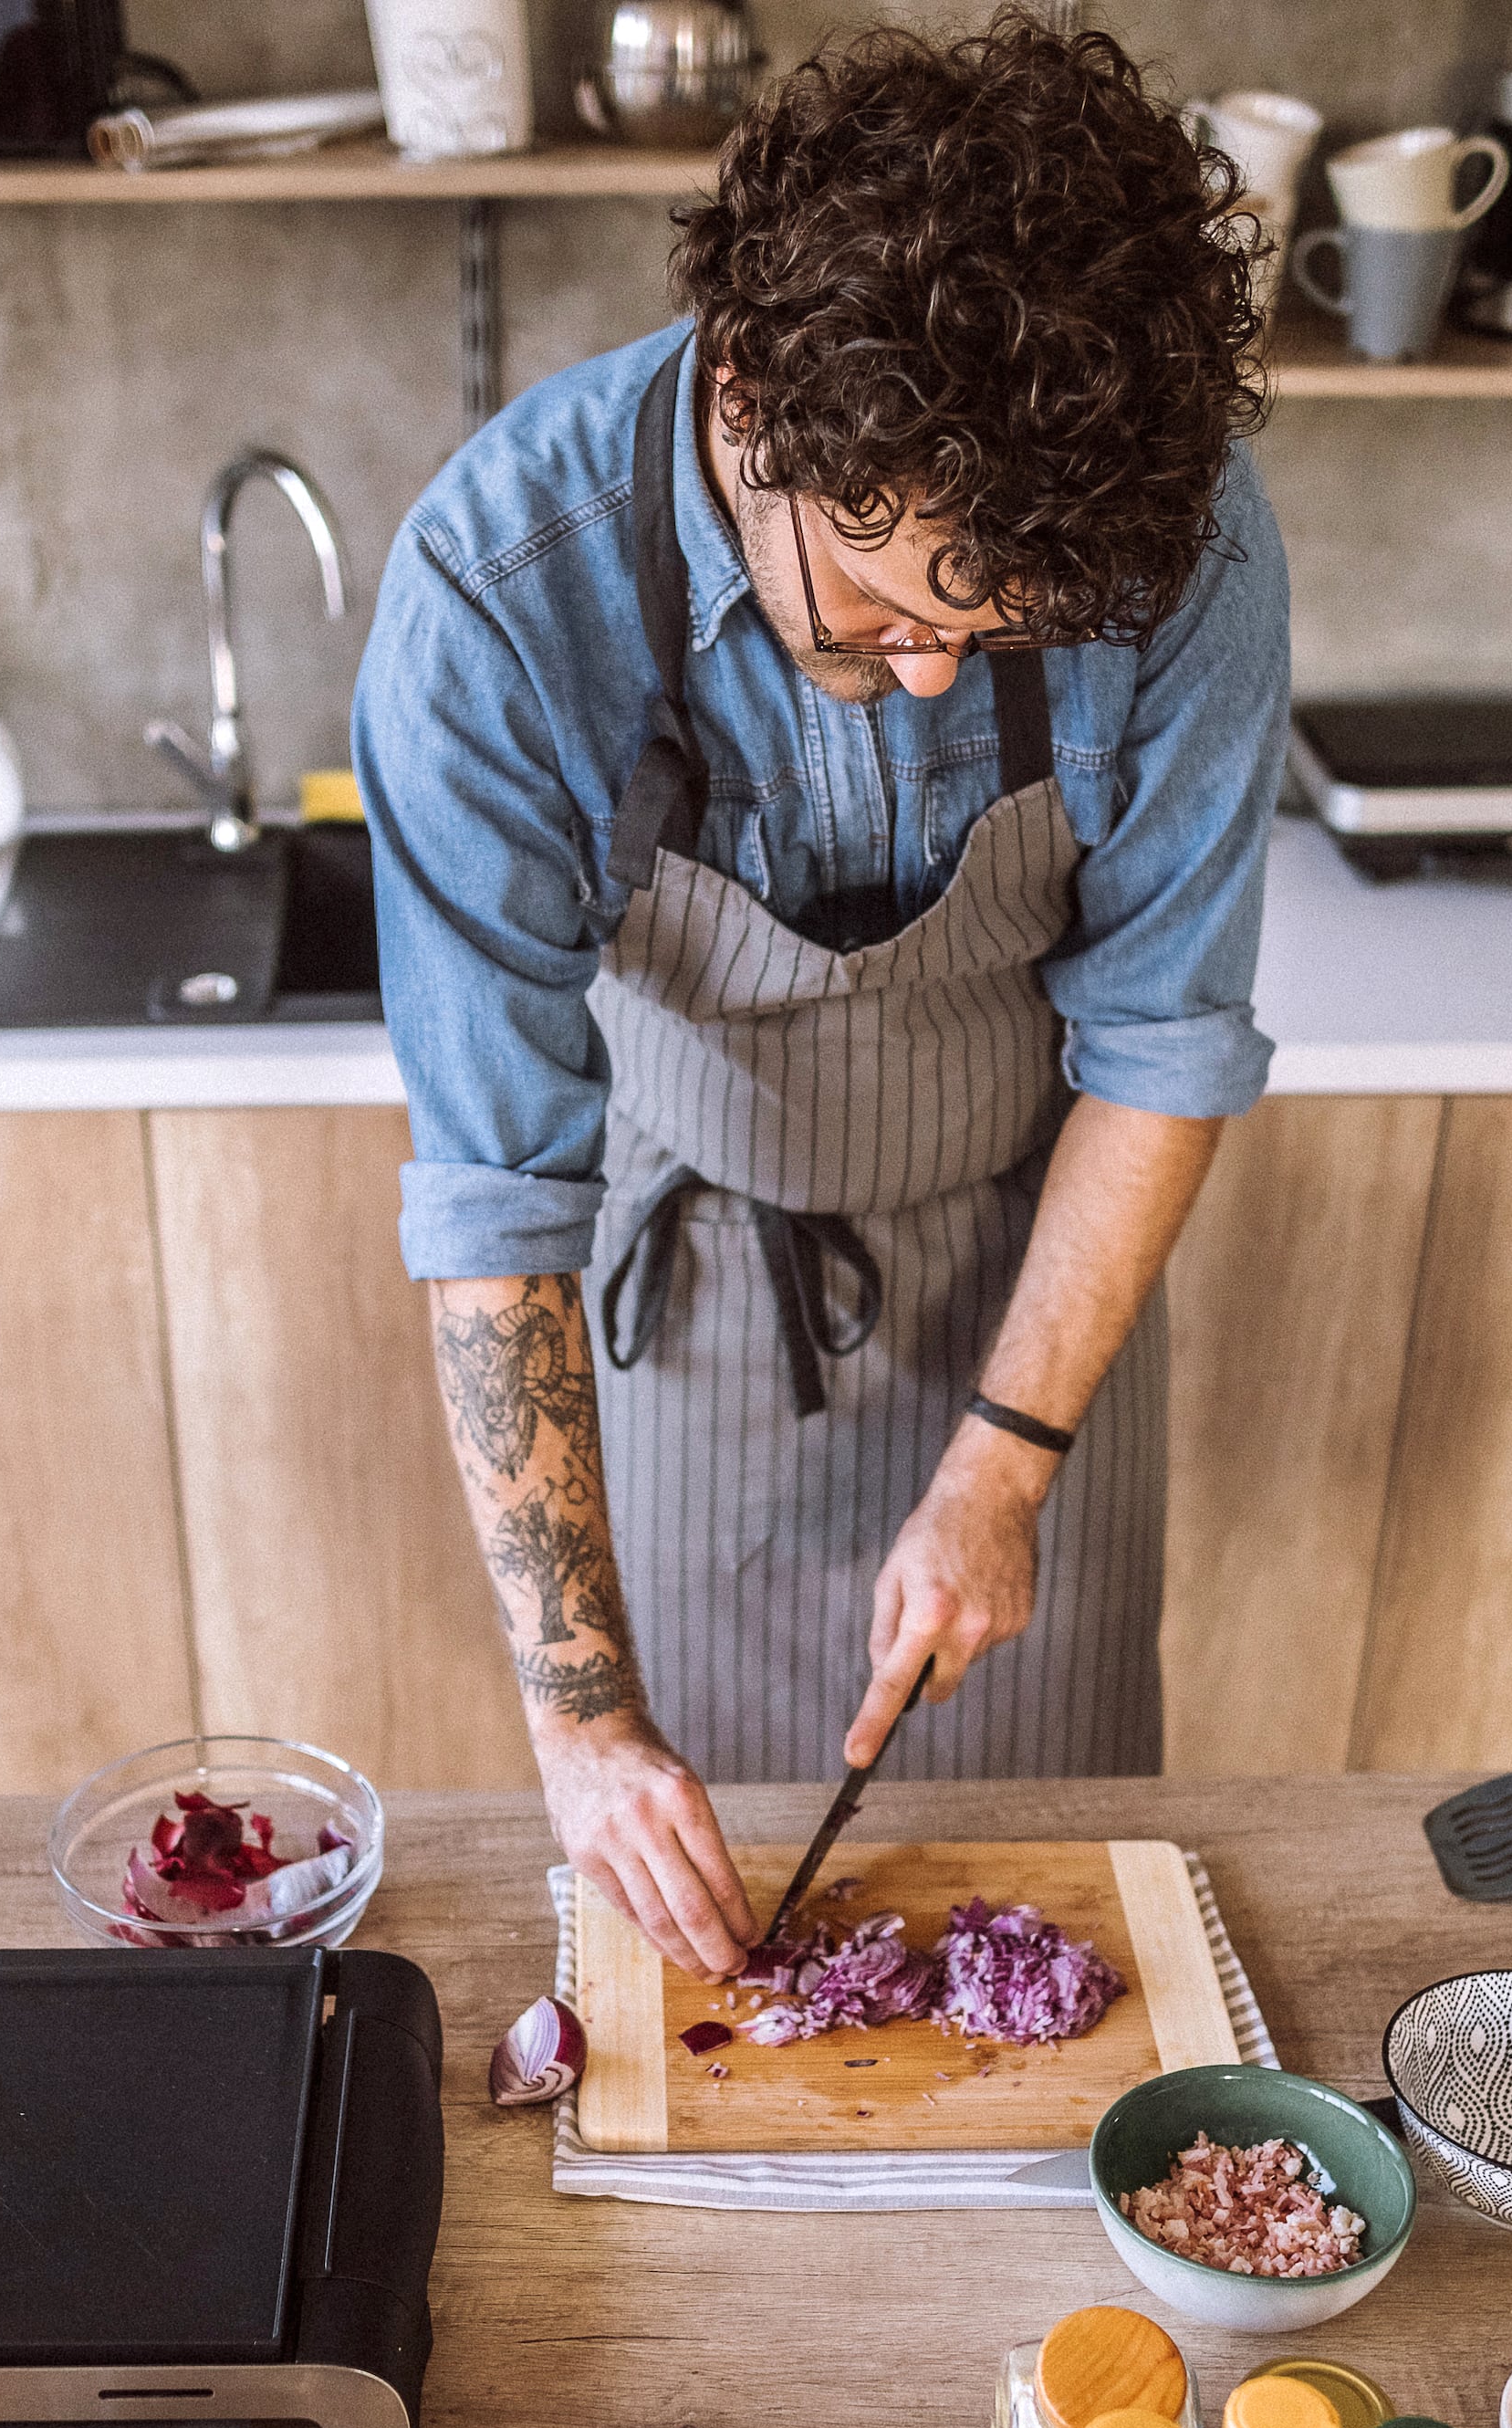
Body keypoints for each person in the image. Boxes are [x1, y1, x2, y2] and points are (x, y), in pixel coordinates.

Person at [356, 11, 1286, 1979]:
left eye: (998, 627)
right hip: (689, 1308)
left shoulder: (1169, 543)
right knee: (704, 1909)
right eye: (891, 601)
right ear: (758, 389)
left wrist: (1000, 1464)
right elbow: (495, 1204)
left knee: (1037, 1922)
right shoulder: (500, 601)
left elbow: (1161, 1038)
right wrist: (584, 1721)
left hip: (1031, 1294)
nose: (945, 671)